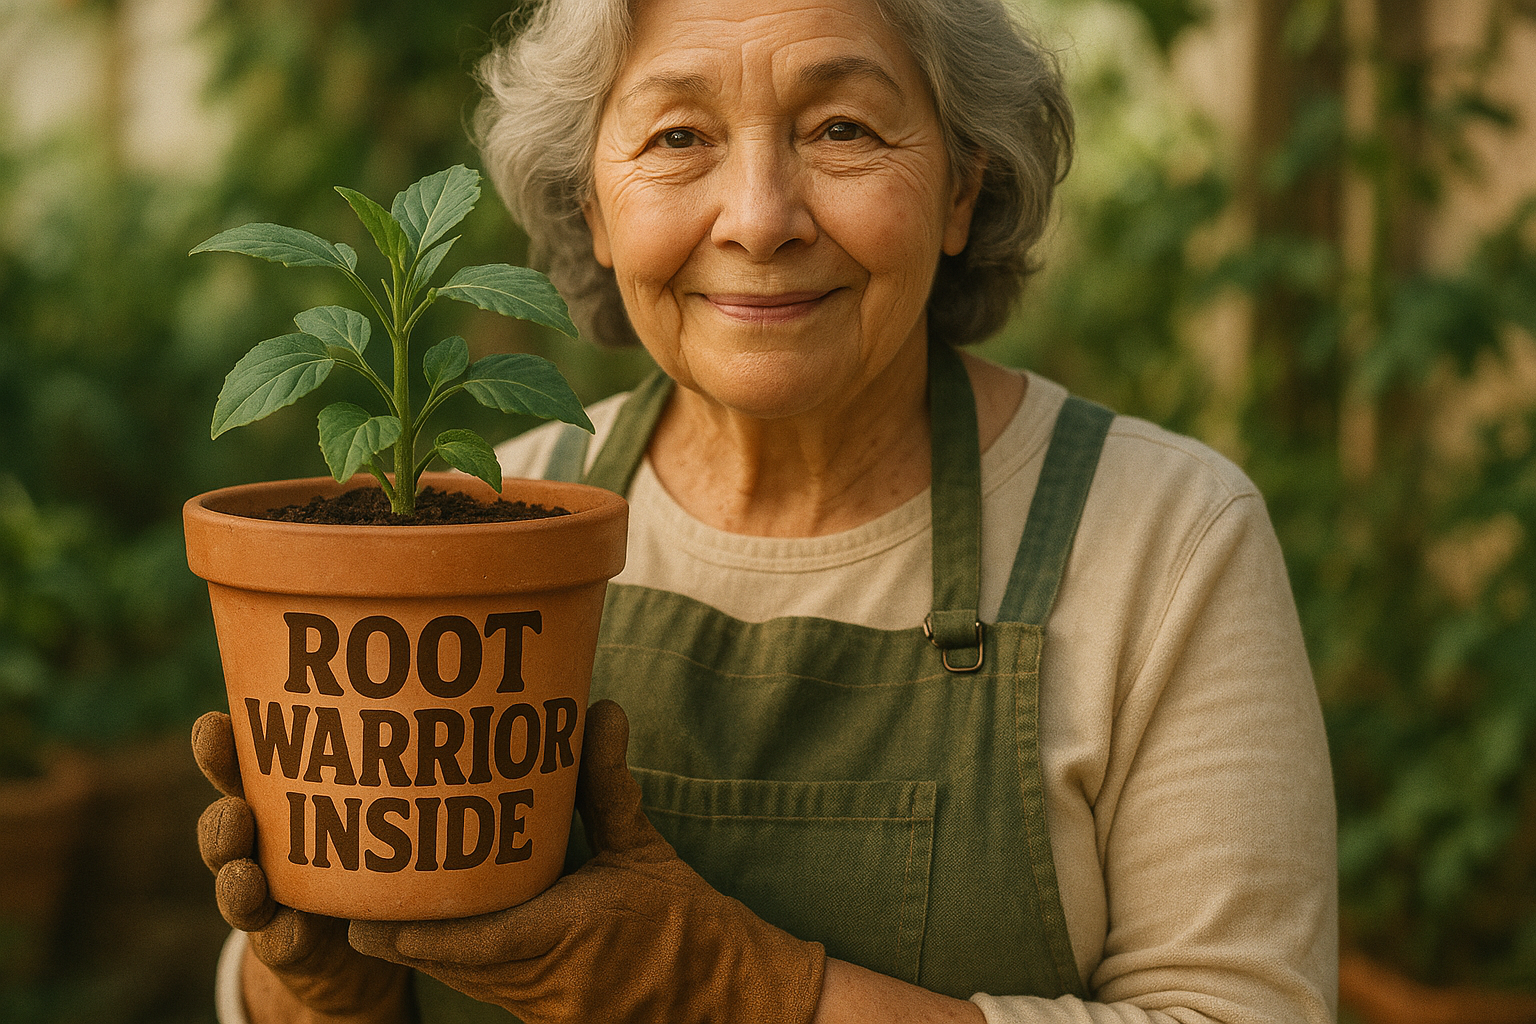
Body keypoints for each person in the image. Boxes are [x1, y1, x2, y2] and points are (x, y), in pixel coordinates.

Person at [195, 0, 1339, 1020]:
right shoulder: (487, 522)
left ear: (960, 188)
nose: (759, 216)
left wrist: (742, 988)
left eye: (841, 128)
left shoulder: (1160, 533)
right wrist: (323, 993)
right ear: (592, 206)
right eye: (678, 136)